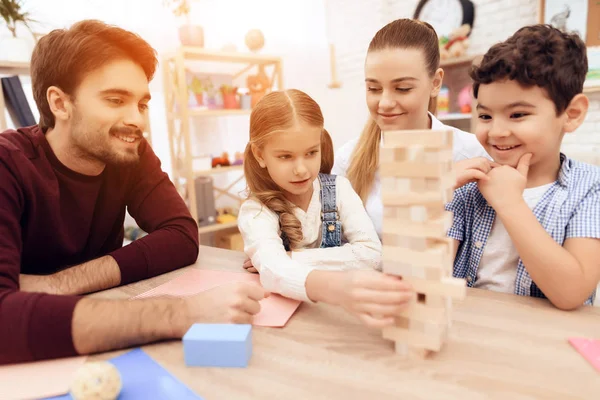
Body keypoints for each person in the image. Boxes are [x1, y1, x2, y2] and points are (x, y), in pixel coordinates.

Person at [0, 20, 267, 365]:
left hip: (103, 340)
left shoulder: (129, 152)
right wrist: (179, 314)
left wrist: (59, 284)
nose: (137, 120)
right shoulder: (8, 163)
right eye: (115, 100)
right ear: (60, 103)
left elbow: (181, 235)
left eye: (141, 104)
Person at [446, 24, 600, 309]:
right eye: (485, 116)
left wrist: (510, 203)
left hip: (542, 343)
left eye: (517, 114)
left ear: (572, 114)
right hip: (466, 332)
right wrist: (434, 193)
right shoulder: (467, 184)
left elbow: (571, 292)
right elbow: (424, 274)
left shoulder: (590, 187)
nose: (497, 132)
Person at [238, 89, 414, 327]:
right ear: (260, 155)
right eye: (285, 157)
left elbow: (372, 255)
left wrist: (292, 257)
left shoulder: (339, 189)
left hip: (336, 317)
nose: (301, 169)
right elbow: (273, 271)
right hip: (291, 324)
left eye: (311, 153)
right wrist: (335, 280)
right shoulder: (255, 211)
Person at [332, 18, 490, 236]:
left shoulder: (471, 154)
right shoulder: (347, 159)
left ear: (435, 83)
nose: (385, 102)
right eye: (374, 88)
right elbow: (338, 249)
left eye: (403, 88)